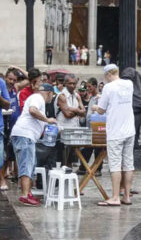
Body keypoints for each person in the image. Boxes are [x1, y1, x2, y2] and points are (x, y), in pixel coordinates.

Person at [92, 64, 135, 206]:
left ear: (108, 75)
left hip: (116, 131)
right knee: (128, 163)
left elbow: (101, 110)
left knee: (115, 165)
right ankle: (127, 196)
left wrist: (95, 106)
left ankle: (115, 197)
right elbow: (116, 100)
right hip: (129, 130)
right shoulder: (129, 84)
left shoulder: (108, 87)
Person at [11, 83, 56, 206]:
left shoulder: (37, 99)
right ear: (49, 93)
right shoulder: (38, 98)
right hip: (25, 135)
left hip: (26, 135)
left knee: (30, 164)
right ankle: (25, 195)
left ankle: (28, 192)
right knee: (26, 163)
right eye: (52, 95)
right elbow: (32, 110)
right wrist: (47, 120)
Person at [0, 67, 28, 190]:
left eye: (14, 80)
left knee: (11, 154)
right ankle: (2, 179)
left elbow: (29, 78)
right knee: (2, 155)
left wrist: (17, 68)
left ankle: (7, 175)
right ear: (5, 78)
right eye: (10, 79)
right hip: (3, 124)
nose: (11, 81)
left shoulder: (15, 89)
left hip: (14, 126)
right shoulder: (0, 90)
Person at [55, 74, 86, 165]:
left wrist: (72, 109)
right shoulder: (61, 96)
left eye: (74, 83)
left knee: (71, 158)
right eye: (70, 83)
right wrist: (77, 111)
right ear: (65, 83)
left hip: (75, 129)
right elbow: (67, 114)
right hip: (63, 129)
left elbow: (84, 112)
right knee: (64, 158)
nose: (72, 86)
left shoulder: (77, 95)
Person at [77, 78, 105, 176]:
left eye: (90, 86)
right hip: (89, 127)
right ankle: (83, 167)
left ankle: (97, 168)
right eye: (87, 87)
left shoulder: (99, 98)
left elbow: (101, 111)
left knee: (98, 149)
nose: (88, 88)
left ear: (94, 86)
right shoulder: (91, 98)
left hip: (97, 127)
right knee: (87, 148)